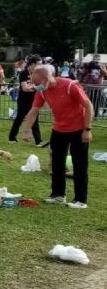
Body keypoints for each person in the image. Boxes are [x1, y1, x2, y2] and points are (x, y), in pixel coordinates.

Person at [20, 64, 94, 210]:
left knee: (80, 164)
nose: (36, 87)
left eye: (37, 84)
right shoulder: (42, 91)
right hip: (59, 130)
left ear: (46, 78)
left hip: (79, 129)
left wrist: (87, 129)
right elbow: (34, 110)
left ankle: (80, 199)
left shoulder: (69, 86)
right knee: (57, 163)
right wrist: (26, 130)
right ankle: (58, 194)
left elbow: (88, 106)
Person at [8, 54, 43, 145]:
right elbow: (25, 88)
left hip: (34, 99)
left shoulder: (38, 74)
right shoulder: (23, 73)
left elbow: (41, 86)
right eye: (38, 64)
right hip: (23, 100)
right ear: (32, 64)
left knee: (35, 119)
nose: (40, 66)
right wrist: (35, 88)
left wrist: (34, 87)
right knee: (19, 118)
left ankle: (38, 141)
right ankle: (12, 137)